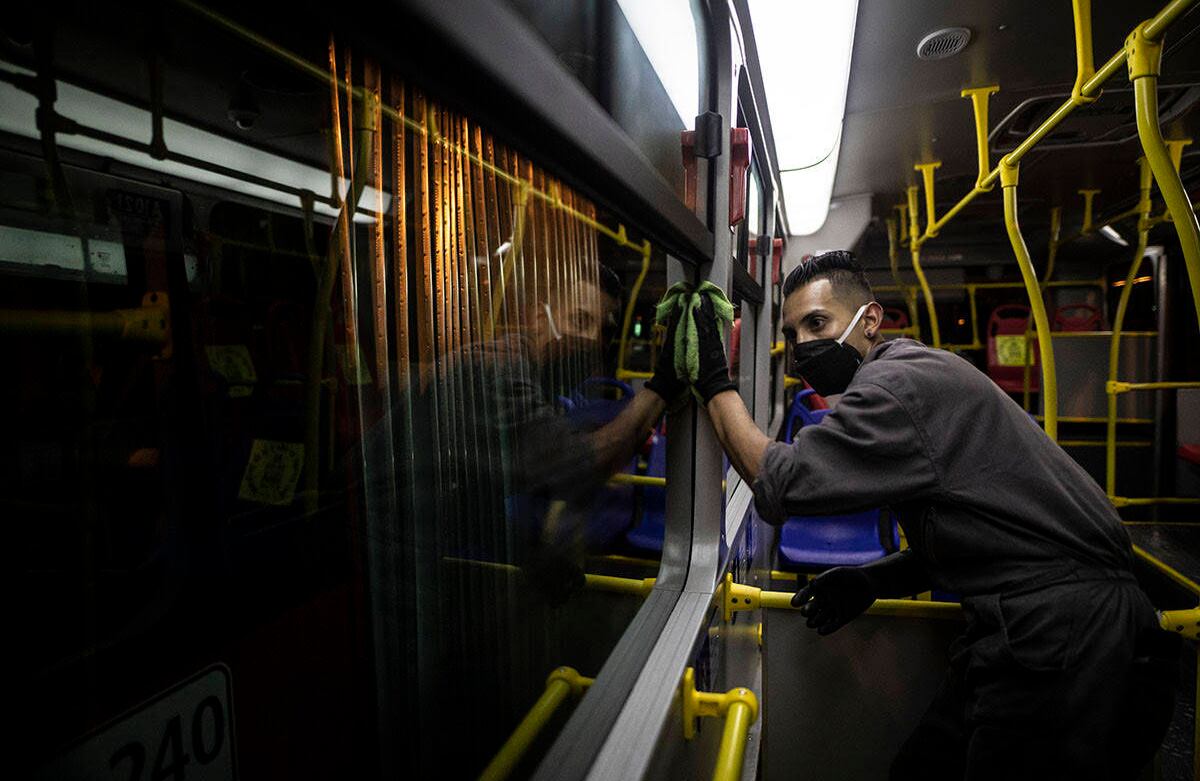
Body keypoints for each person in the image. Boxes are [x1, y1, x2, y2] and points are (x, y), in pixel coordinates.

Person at [680, 249, 1177, 779]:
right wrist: (874, 578)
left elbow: (784, 481)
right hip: (1039, 621)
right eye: (793, 331)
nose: (802, 345)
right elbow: (985, 529)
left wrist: (715, 381)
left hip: (1063, 636)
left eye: (817, 323)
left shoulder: (896, 388)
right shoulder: (913, 370)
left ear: (869, 320)